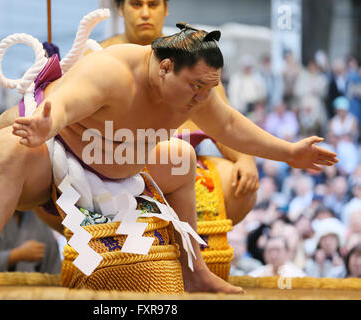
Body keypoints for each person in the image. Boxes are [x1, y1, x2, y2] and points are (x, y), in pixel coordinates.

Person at [0, 22, 338, 294]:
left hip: (121, 171)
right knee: (11, 147)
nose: (203, 98)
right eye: (197, 88)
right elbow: (63, 104)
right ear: (165, 68)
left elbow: (232, 127)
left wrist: (289, 153)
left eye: (210, 88)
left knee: (182, 157)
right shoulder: (112, 71)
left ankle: (194, 272)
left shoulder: (194, 90)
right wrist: (43, 127)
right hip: (56, 160)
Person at [99, 0, 259, 225]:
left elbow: (225, 122)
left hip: (183, 161)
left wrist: (245, 158)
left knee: (238, 183)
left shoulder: (193, 54)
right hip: (111, 163)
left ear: (166, 9)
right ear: (121, 9)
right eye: (136, 4)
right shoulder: (97, 55)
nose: (145, 13)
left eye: (153, 5)